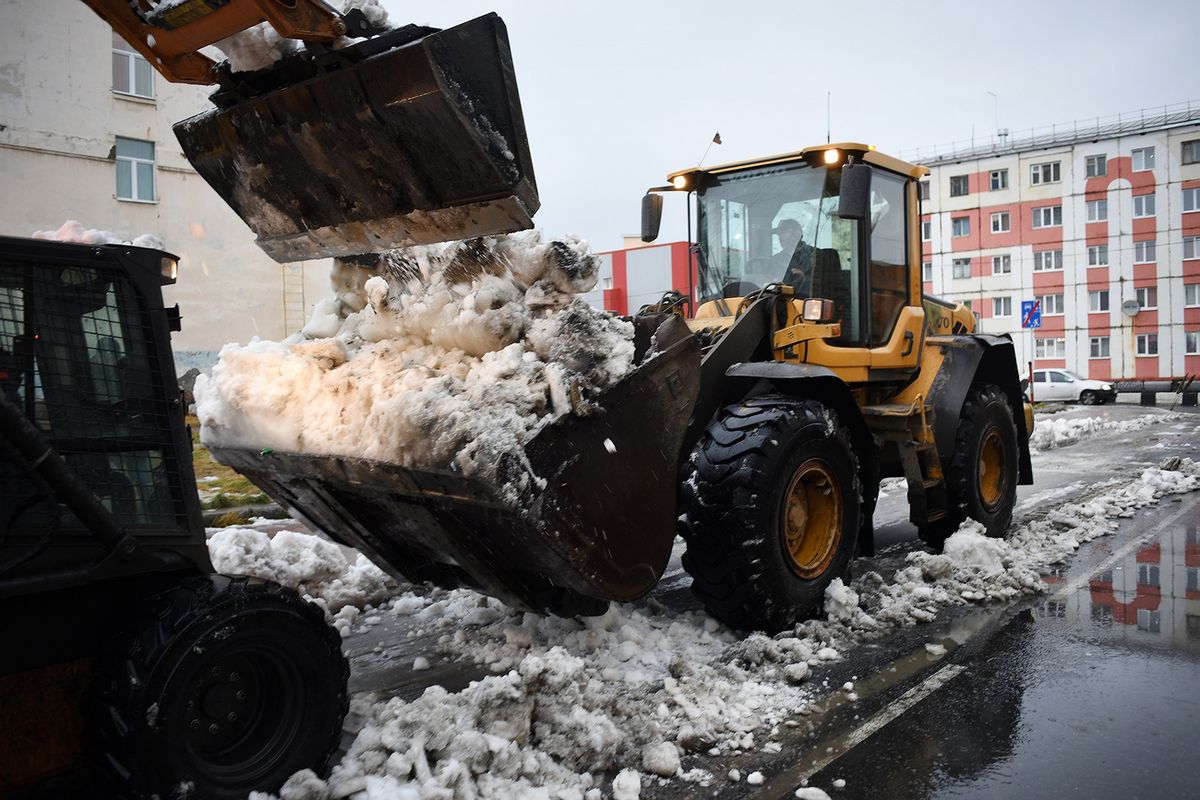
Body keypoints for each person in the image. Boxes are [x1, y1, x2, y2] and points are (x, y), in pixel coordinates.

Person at [772, 218, 816, 296]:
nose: (780, 238)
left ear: (796, 234)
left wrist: (803, 278)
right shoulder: (775, 259)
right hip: (778, 301)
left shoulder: (813, 255)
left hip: (806, 303)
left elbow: (821, 286)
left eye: (783, 232)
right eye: (779, 234)